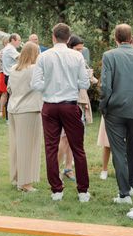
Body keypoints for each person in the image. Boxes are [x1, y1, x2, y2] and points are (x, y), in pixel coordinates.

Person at [31, 23, 91, 202]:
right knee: (77, 148)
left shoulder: (44, 56)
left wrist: (49, 85)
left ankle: (56, 190)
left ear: (53, 37)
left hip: (50, 105)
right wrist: (71, 83)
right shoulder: (77, 56)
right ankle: (82, 191)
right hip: (69, 104)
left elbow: (35, 84)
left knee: (51, 147)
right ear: (69, 38)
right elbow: (85, 83)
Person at [100, 24, 133, 204]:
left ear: (116, 38)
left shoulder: (109, 56)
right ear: (131, 38)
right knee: (132, 148)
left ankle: (124, 193)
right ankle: (131, 185)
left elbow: (106, 86)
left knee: (118, 151)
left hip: (115, 109)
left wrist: (104, 105)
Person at [57, 35, 97, 182]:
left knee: (75, 139)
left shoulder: (81, 60)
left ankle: (68, 168)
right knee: (64, 138)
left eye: (82, 49)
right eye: (77, 49)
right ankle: (56, 169)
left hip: (79, 102)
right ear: (70, 47)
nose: (80, 52)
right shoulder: (64, 61)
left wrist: (90, 77)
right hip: (66, 102)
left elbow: (89, 82)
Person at [7, 41, 44, 193]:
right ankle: (25, 183)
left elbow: (9, 88)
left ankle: (17, 177)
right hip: (29, 109)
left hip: (13, 108)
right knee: (28, 146)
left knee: (17, 145)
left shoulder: (13, 68)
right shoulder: (34, 69)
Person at [1, 33, 21, 120]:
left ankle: (9, 118)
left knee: (11, 96)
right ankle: (9, 118)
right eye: (19, 40)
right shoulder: (10, 49)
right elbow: (20, 58)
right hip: (10, 76)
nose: (20, 42)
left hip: (9, 76)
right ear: (13, 40)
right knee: (12, 97)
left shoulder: (9, 48)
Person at [0, 37, 9, 118]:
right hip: (3, 73)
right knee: (4, 93)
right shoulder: (2, 52)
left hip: (9, 74)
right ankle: (1, 111)